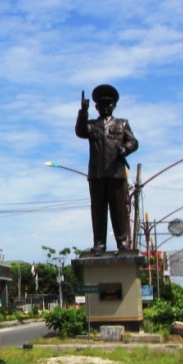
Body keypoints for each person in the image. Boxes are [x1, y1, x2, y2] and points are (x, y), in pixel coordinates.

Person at [75, 84, 138, 254]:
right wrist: (83, 112)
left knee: (119, 210)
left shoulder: (122, 123)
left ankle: (123, 243)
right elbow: (80, 132)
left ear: (114, 106)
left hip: (116, 173)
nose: (105, 107)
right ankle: (99, 244)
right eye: (101, 105)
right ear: (96, 107)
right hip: (96, 174)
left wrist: (125, 149)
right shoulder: (92, 125)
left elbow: (133, 142)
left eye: (108, 104)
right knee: (98, 210)